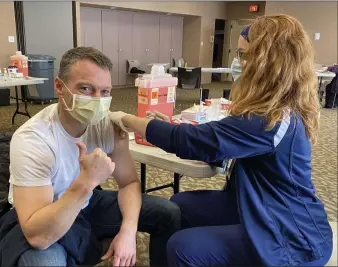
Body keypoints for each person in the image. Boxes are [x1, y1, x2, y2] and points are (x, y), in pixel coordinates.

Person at [109, 14, 333, 266]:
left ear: (266, 61)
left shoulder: (272, 119)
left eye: (243, 55)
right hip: (259, 204)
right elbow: (217, 143)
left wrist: (126, 118)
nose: (237, 63)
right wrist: (170, 126)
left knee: (183, 247)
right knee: (179, 205)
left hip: (291, 235)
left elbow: (191, 142)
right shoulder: (276, 111)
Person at [0, 47, 180, 266]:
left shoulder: (107, 126)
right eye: (85, 88)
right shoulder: (33, 140)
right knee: (44, 262)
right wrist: (87, 182)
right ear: (59, 87)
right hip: (46, 212)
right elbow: (37, 236)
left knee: (168, 213)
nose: (97, 100)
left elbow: (129, 182)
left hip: (88, 203)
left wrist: (128, 231)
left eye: (104, 92)